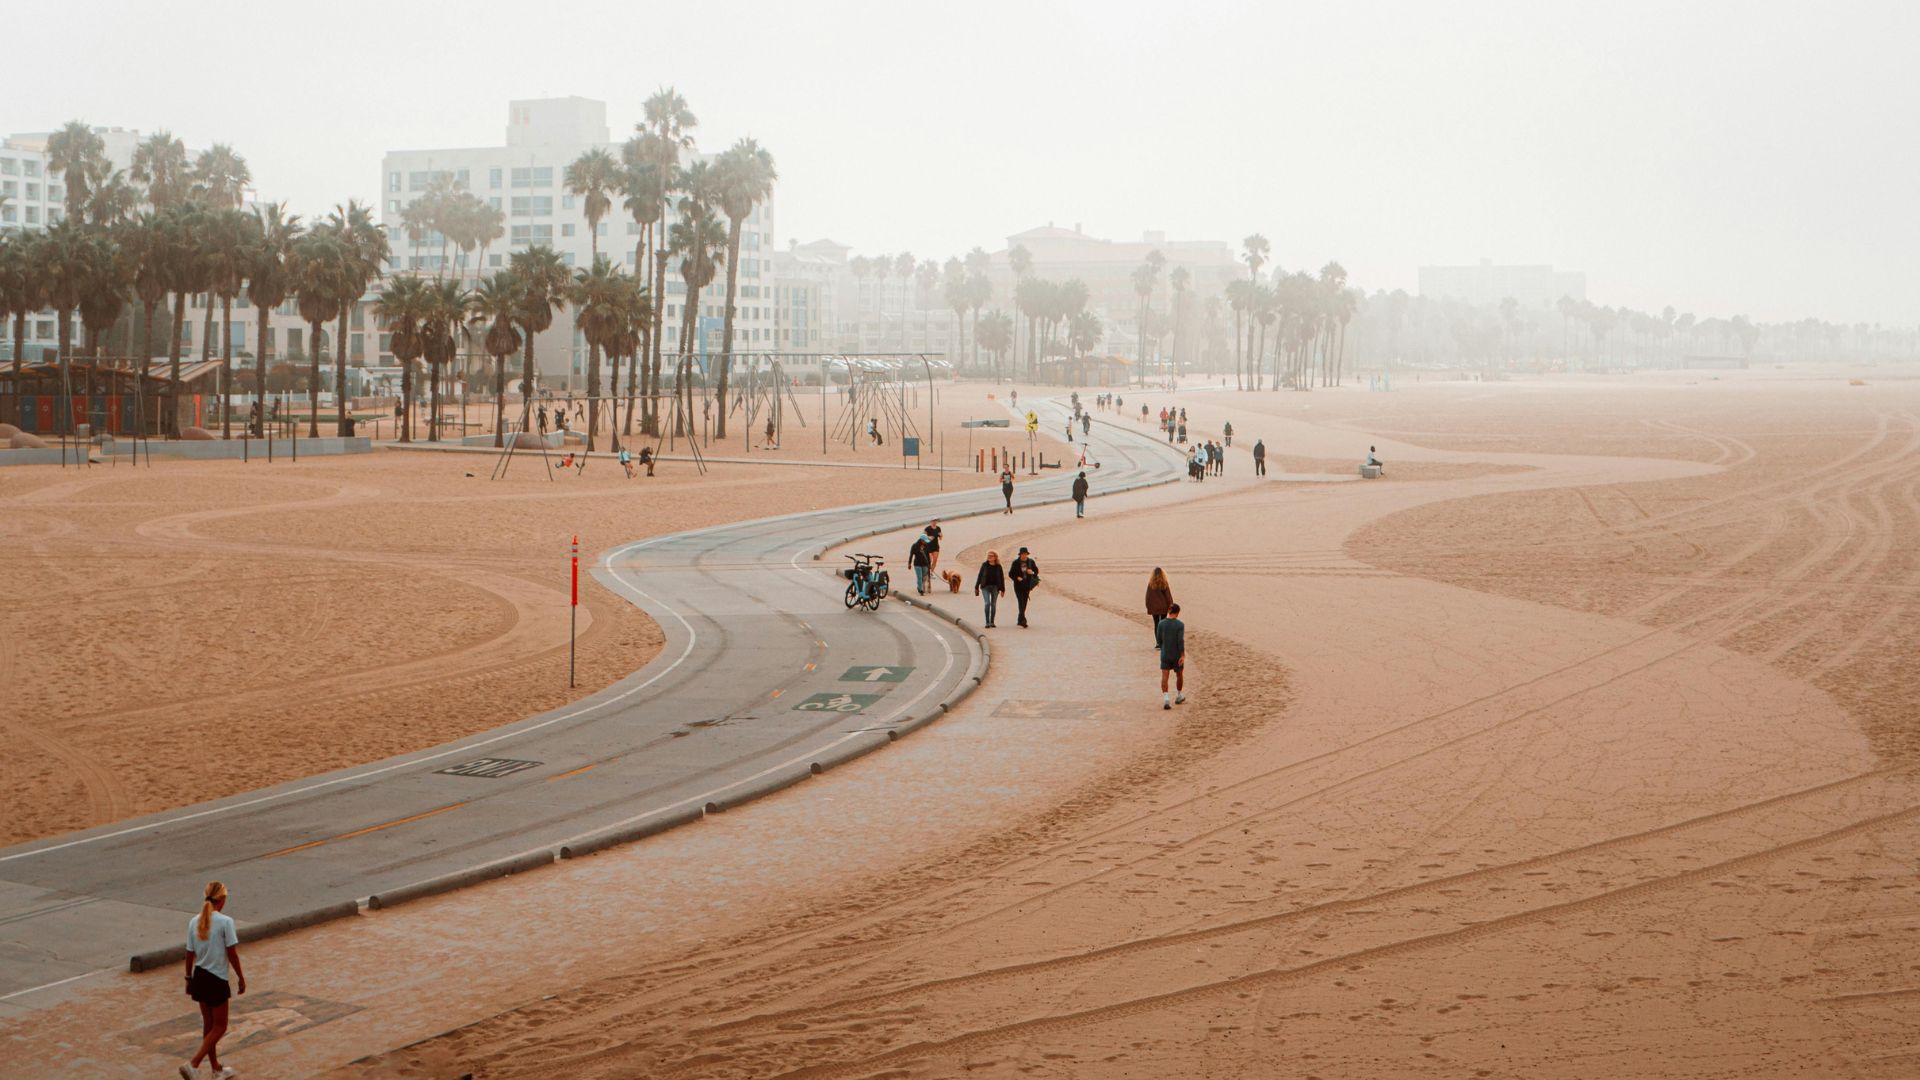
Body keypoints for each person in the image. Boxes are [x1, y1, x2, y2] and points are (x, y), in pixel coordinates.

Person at [180, 880, 245, 1080]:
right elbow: (232, 954)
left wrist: (188, 979)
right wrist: (241, 978)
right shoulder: (226, 922)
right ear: (222, 899)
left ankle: (216, 1068)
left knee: (209, 1026)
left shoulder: (194, 921)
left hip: (199, 977)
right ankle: (193, 1063)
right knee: (220, 1026)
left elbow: (189, 954)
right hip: (217, 979)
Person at [1157, 602, 1187, 709]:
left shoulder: (1161, 624)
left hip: (1165, 653)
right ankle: (1179, 695)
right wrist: (1182, 655)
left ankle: (1166, 698)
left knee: (1165, 676)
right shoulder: (1180, 625)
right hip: (1176, 654)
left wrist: (1164, 647)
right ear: (1177, 613)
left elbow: (1159, 640)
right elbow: (1180, 641)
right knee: (1179, 675)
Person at [1009, 547, 1040, 628]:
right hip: (1018, 586)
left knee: (1024, 603)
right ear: (1020, 554)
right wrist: (1017, 578)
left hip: (1027, 586)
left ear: (1027, 554)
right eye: (1022, 554)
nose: (1024, 555)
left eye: (1025, 554)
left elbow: (1036, 571)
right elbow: (1011, 574)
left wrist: (1032, 572)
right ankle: (1023, 621)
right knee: (1021, 602)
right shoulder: (1016, 562)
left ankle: (1020, 619)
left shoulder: (1031, 562)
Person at [974, 550, 1005, 628]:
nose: (989, 557)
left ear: (995, 557)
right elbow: (980, 575)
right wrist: (976, 586)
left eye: (991, 556)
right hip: (985, 587)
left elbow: (1001, 578)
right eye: (988, 556)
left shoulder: (998, 566)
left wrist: (1003, 589)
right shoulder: (984, 565)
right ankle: (987, 622)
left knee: (993, 604)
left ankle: (992, 622)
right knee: (987, 603)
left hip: (995, 587)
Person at [1145, 567, 1174, 644]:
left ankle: (1158, 643)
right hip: (1163, 607)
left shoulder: (1151, 584)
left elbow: (1148, 596)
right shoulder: (1164, 583)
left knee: (1156, 624)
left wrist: (1148, 606)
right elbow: (1168, 596)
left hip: (1154, 608)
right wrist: (1171, 606)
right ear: (1162, 574)